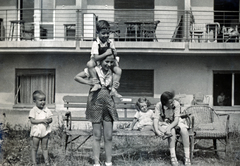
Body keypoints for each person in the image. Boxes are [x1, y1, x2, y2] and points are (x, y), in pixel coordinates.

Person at [74, 54, 118, 166]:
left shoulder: (113, 72)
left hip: (108, 104)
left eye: (111, 62)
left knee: (108, 136)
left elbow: (115, 83)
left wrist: (115, 85)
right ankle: (96, 162)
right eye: (106, 62)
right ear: (100, 61)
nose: (109, 64)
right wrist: (89, 82)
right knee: (97, 135)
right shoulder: (93, 71)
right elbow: (77, 77)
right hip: (95, 104)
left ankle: (109, 162)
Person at [153, 91, 191, 166]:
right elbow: (156, 119)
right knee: (172, 131)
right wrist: (157, 130)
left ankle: (187, 156)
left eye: (173, 100)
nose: (172, 103)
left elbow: (176, 120)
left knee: (184, 130)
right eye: (170, 102)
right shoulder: (159, 105)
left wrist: (169, 128)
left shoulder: (176, 104)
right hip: (165, 122)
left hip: (175, 121)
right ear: (164, 102)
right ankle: (173, 156)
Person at [87, 19, 122, 98]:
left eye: (107, 33)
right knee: (89, 64)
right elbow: (96, 58)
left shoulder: (110, 42)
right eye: (103, 33)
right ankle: (96, 83)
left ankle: (113, 88)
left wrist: (113, 52)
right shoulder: (96, 43)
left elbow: (114, 52)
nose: (106, 35)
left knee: (118, 70)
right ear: (97, 33)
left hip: (107, 61)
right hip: (97, 61)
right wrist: (106, 53)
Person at [29, 90, 53, 166]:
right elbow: (32, 121)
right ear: (34, 101)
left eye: (44, 100)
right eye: (40, 100)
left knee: (45, 147)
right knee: (34, 147)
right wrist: (42, 120)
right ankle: (34, 162)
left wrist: (48, 120)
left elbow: (50, 119)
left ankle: (47, 161)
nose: (43, 102)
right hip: (36, 132)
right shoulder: (33, 110)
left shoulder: (47, 110)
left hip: (45, 132)